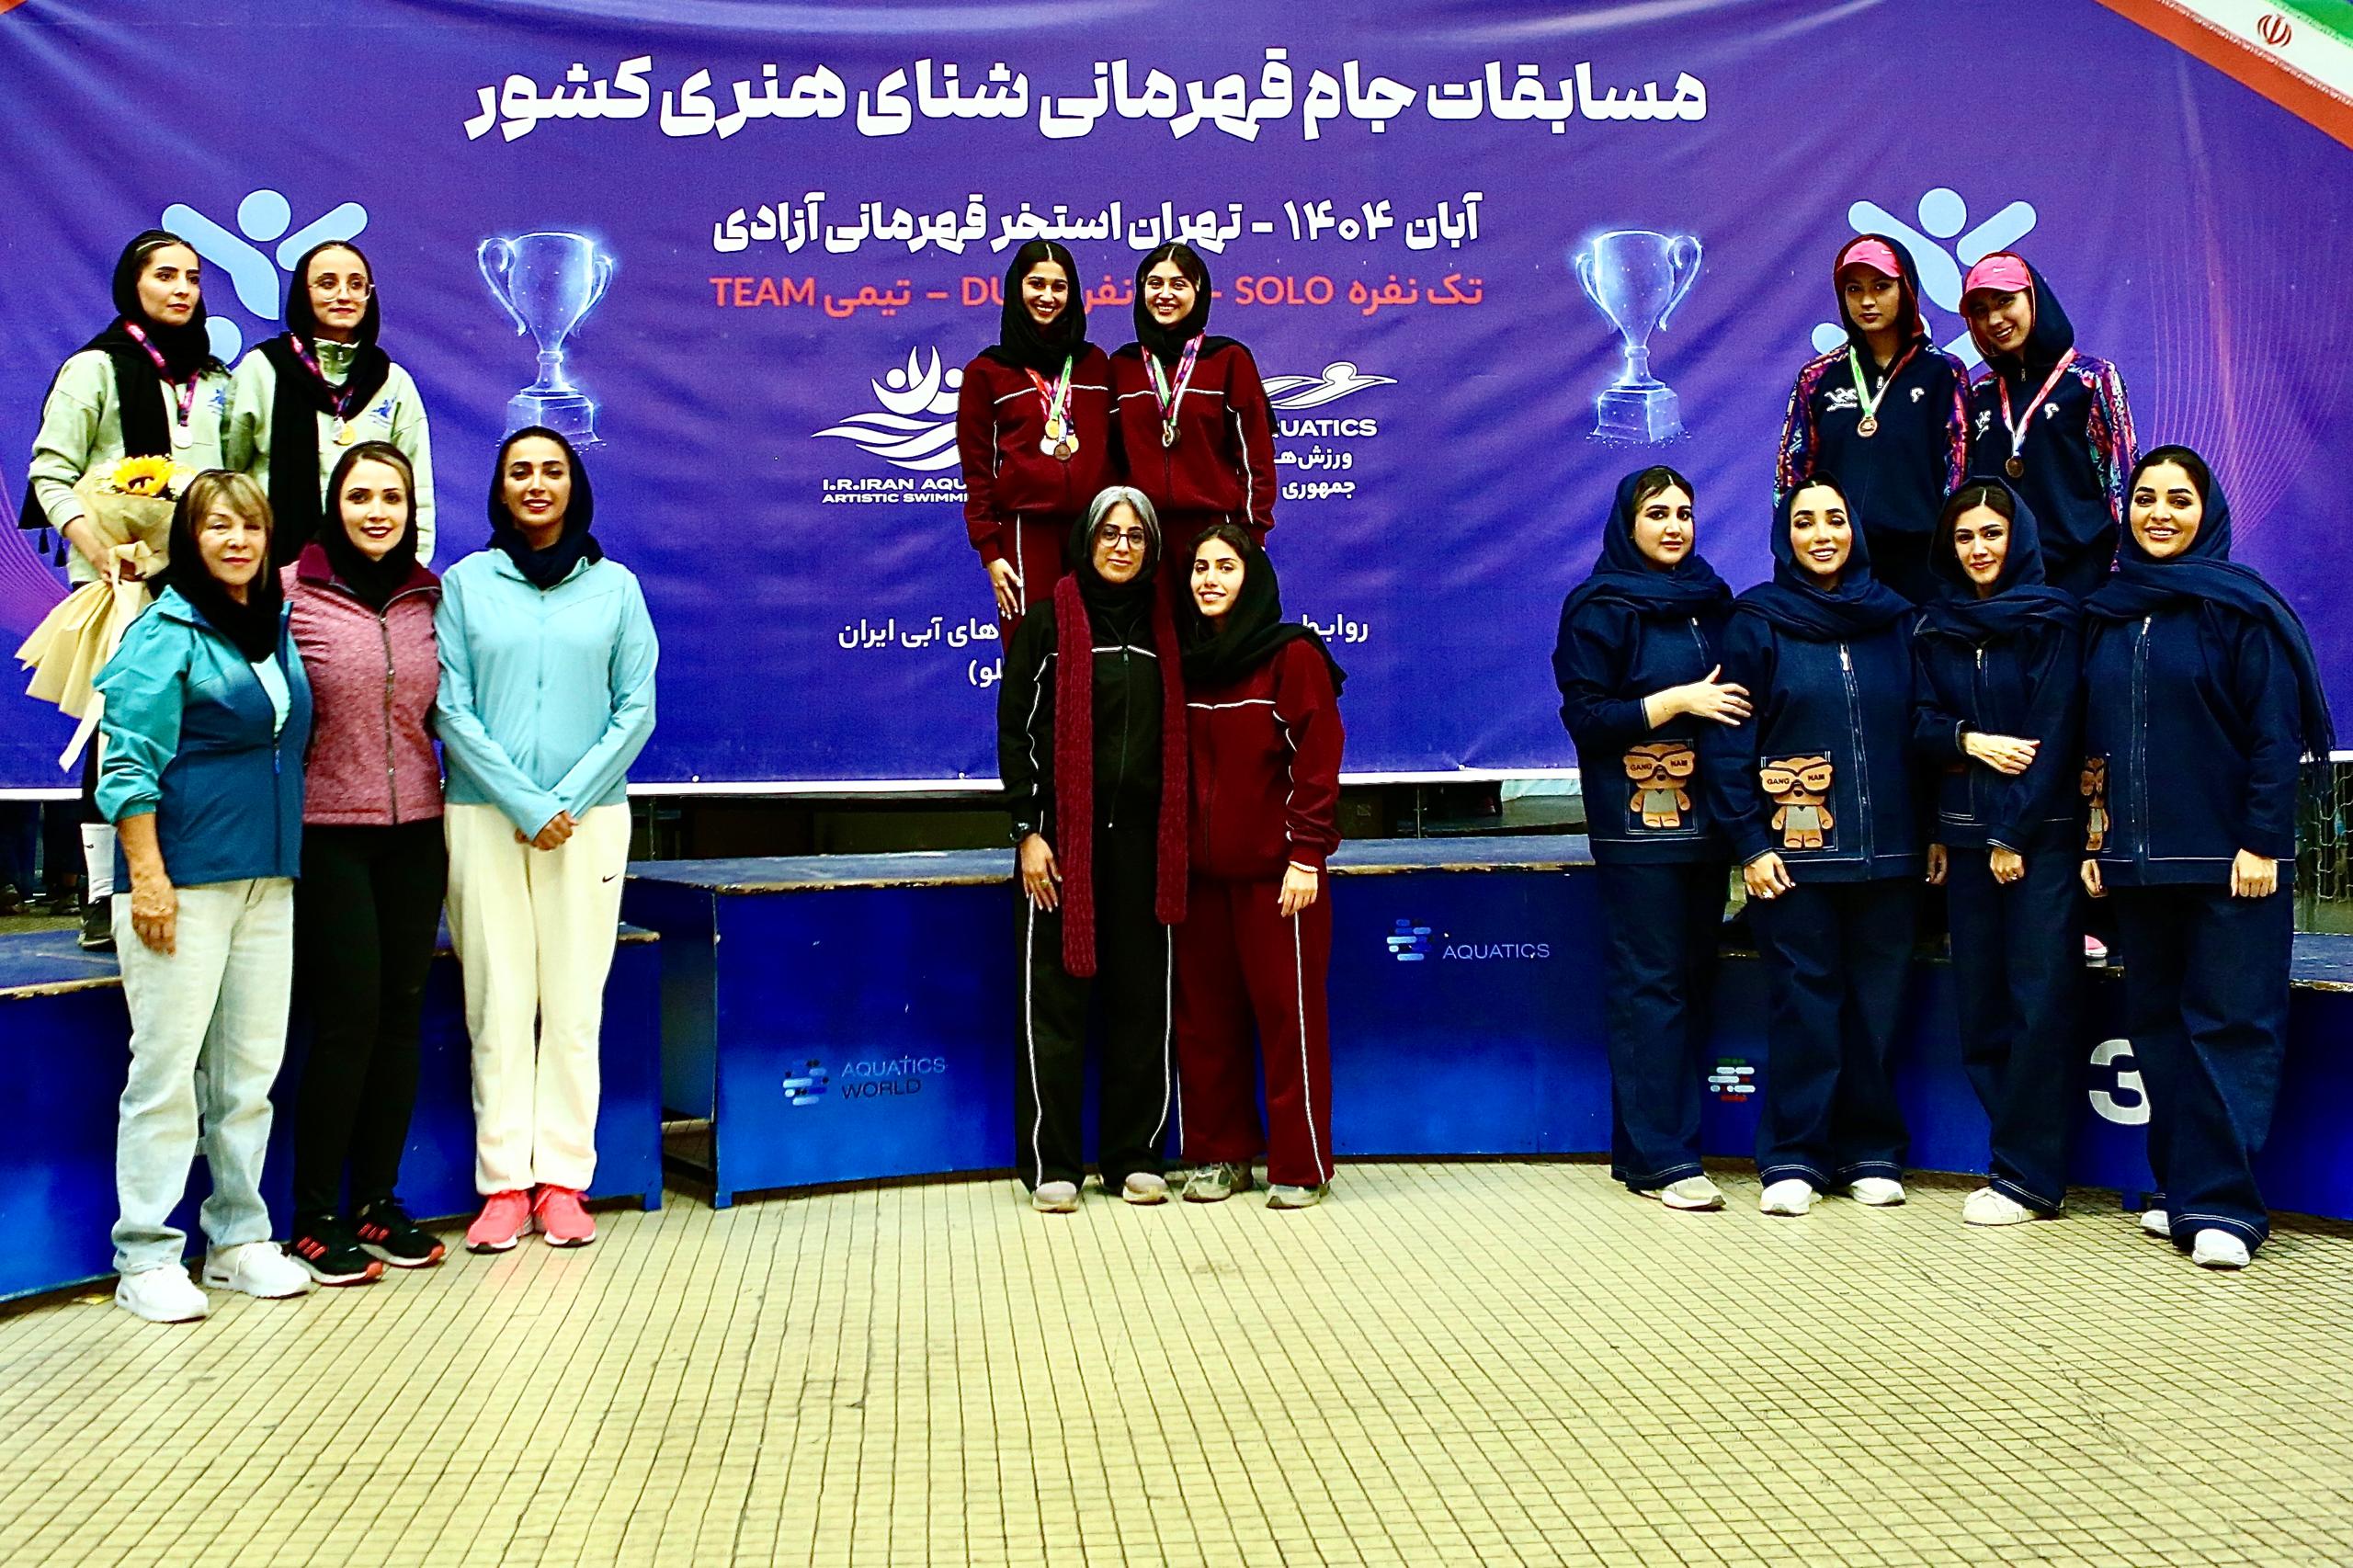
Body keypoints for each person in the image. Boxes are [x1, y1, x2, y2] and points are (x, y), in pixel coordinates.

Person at [2081, 447, 2331, 1269]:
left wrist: (2263, 842)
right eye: (2145, 497)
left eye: (2179, 500)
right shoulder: (2109, 613)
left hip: (2234, 867)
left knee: (2231, 1028)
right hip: (2139, 868)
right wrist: (2097, 840)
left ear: (2207, 511)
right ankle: (2180, 1189)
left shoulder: (2242, 609)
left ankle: (2224, 1208)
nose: (2159, 513)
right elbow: (2094, 742)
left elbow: (2275, 739)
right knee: (2159, 1030)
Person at [94, 470, 316, 1322]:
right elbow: (126, 765)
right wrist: (147, 879)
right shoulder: (163, 632)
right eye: (217, 525)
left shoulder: (275, 628)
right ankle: (147, 1255)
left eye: (250, 526)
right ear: (189, 539)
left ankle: (236, 1241)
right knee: (165, 1076)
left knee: (247, 1077)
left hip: (268, 880)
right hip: (180, 885)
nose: (236, 541)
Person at [435, 427, 657, 1253]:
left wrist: (564, 802)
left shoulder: (617, 589)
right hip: (485, 817)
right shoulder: (465, 584)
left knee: (571, 1004)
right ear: (500, 489)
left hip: (586, 824)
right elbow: (450, 708)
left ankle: (563, 1180)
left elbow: (636, 710)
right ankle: (503, 1186)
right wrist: (524, 803)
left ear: (574, 486)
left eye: (552, 471)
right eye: (520, 471)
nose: (536, 484)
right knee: (496, 1002)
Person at [1700, 476, 1923, 1216]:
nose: (1822, 534)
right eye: (1804, 522)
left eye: (1835, 519)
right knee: (1804, 1007)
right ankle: (1794, 1157)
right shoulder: (1757, 622)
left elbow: (1921, 731)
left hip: (1891, 857)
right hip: (1790, 862)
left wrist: (1929, 836)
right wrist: (1751, 843)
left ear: (1855, 529)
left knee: (1877, 1011)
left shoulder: (1898, 619)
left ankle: (1871, 1154)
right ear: (1784, 536)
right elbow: (1728, 744)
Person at [20, 230, 232, 952]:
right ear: (131, 285)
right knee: (118, 734)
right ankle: (102, 895)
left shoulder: (218, 381)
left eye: (193, 278)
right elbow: (50, 474)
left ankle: (190, 876)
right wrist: (100, 546)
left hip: (205, 588)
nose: (181, 289)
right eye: (165, 275)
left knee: (202, 729)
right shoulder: (94, 370)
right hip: (123, 586)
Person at [1552, 467, 1745, 1210]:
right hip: (1636, 832)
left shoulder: (1714, 601)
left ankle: (1641, 1153)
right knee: (1651, 989)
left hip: (1709, 826)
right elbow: (1588, 720)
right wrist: (1674, 702)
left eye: (1685, 513)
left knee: (1689, 985)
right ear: (1627, 523)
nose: (1674, 526)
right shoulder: (1598, 607)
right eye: (1658, 513)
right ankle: (1668, 1160)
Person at [996, 486, 1189, 1212]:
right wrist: (1028, 831)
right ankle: (1053, 1163)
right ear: (1086, 540)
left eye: (1136, 536)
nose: (1121, 547)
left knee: (1143, 1003)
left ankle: (1133, 1156)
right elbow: (1015, 731)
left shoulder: (1168, 628)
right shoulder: (1048, 624)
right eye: (1109, 533)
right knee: (1054, 1008)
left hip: (1147, 846)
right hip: (1059, 846)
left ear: (1152, 549)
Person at [284, 442, 447, 1281]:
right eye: (360, 497)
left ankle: (378, 1202)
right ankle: (315, 1216)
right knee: (347, 1019)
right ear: (334, 505)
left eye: (392, 497)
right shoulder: (291, 591)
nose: (376, 512)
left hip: (417, 830)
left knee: (400, 1015)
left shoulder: (430, 597)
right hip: (328, 832)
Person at [1912, 479, 2085, 1225]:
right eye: (1964, 537)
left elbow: (2056, 731)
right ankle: (2010, 1162)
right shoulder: (1933, 625)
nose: (1978, 549)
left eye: (1992, 533)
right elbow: (1918, 724)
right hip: (1963, 841)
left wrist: (2012, 833)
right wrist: (1968, 740)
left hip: (2036, 844)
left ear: (2020, 539)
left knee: (2038, 1005)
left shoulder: (2053, 618)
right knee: (1979, 1008)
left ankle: (2031, 1178)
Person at [1172, 524, 1346, 1208]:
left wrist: (1306, 853)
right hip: (1198, 879)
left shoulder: (1291, 656)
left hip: (1280, 879)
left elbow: (1318, 759)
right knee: (1204, 1023)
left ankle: (1301, 1165)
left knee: (1287, 1019)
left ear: (1253, 579)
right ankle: (1221, 1156)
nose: (1209, 579)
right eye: (1200, 568)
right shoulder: (1182, 660)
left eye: (1226, 567)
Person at [1777, 234, 1970, 604]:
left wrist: (1950, 555)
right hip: (1837, 563)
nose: (1867, 301)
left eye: (1881, 286)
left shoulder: (1944, 373)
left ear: (1906, 289)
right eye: (1854, 289)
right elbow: (1792, 471)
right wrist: (1794, 550)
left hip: (1920, 565)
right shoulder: (1817, 376)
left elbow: (1957, 471)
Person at [226, 240, 438, 567]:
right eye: (327, 284)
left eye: (356, 285)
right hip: (273, 568)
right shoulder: (263, 369)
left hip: (371, 571)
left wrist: (412, 568)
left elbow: (416, 488)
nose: (343, 295)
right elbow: (229, 475)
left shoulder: (393, 382)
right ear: (303, 293)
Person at [955, 240, 1113, 632]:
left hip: (1093, 532)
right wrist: (991, 552)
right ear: (1016, 289)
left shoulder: (1096, 364)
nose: (1048, 296)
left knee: (1095, 647)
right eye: (1036, 284)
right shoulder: (986, 373)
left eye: (1059, 286)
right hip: (1023, 535)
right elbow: (977, 471)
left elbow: (1117, 452)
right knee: (1033, 649)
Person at [1961, 253, 2136, 597]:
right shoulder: (1979, 394)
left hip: (2082, 576)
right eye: (1980, 311)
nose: (1994, 319)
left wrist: (2120, 570)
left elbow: (2120, 480)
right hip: (2004, 580)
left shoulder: (2091, 379)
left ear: (2035, 299)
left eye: (2005, 301)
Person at [1108, 244, 1276, 600]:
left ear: (1198, 291)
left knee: (1211, 632)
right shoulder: (1121, 366)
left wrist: (1251, 535)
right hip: (1143, 534)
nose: (1165, 294)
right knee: (1154, 632)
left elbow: (1255, 458)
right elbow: (1110, 460)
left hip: (1215, 532)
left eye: (1179, 284)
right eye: (1155, 283)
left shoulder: (1229, 360)